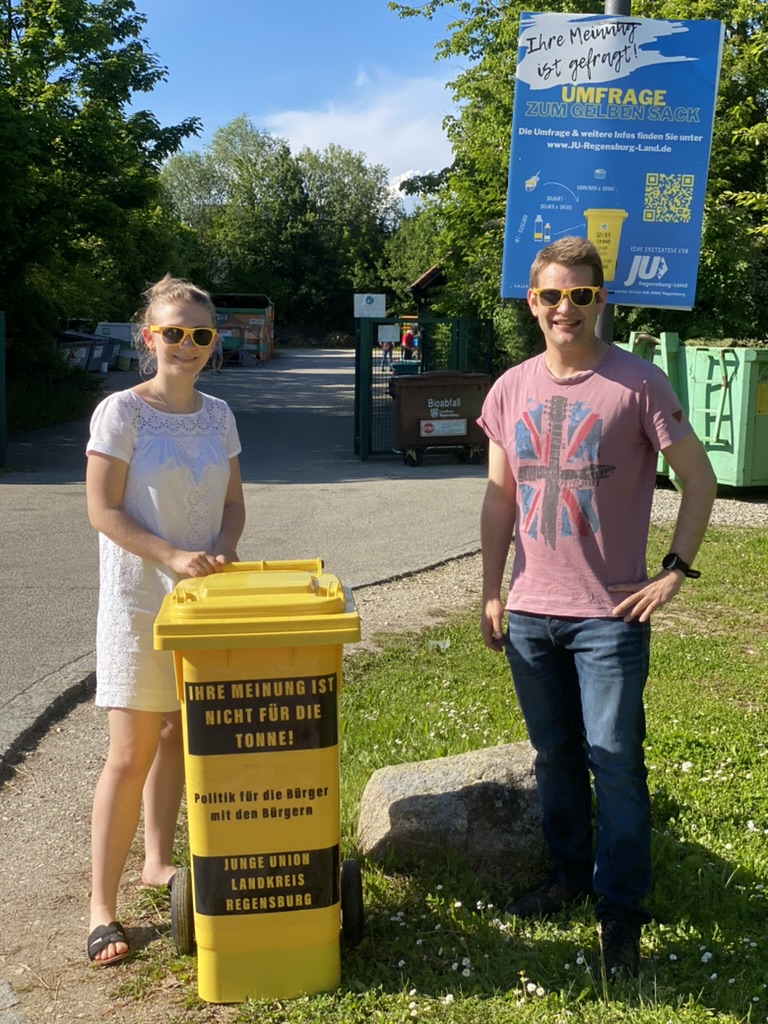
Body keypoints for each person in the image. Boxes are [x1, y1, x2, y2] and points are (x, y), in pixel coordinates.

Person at [478, 237, 716, 979]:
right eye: (551, 295)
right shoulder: (510, 388)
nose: (564, 309)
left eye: (580, 295)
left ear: (600, 300)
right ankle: (568, 876)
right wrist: (492, 586)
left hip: (609, 617)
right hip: (530, 612)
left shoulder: (638, 383)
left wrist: (674, 570)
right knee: (555, 758)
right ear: (532, 302)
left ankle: (621, 911)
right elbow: (499, 499)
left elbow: (700, 480)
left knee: (613, 762)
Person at [84, 274, 246, 967]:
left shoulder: (219, 415)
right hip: (138, 600)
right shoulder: (120, 412)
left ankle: (157, 861)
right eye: (172, 331)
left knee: (183, 730)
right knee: (130, 751)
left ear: (214, 343)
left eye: (199, 334)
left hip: (200, 600)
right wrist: (173, 555)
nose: (185, 344)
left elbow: (234, 504)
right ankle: (100, 908)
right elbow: (103, 511)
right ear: (147, 337)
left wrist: (224, 552)